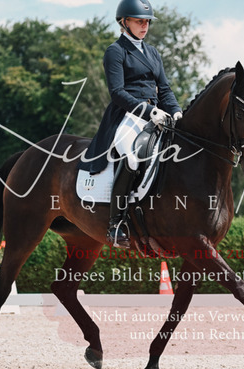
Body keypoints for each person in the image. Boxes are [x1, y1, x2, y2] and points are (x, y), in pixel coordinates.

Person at [78, 0, 182, 247]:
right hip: (128, 114)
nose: (144, 26)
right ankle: (115, 224)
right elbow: (117, 93)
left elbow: (165, 89)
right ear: (124, 22)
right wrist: (148, 111)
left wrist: (176, 111)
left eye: (147, 22)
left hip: (158, 113)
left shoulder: (152, 52)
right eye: (139, 21)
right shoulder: (115, 51)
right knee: (132, 156)